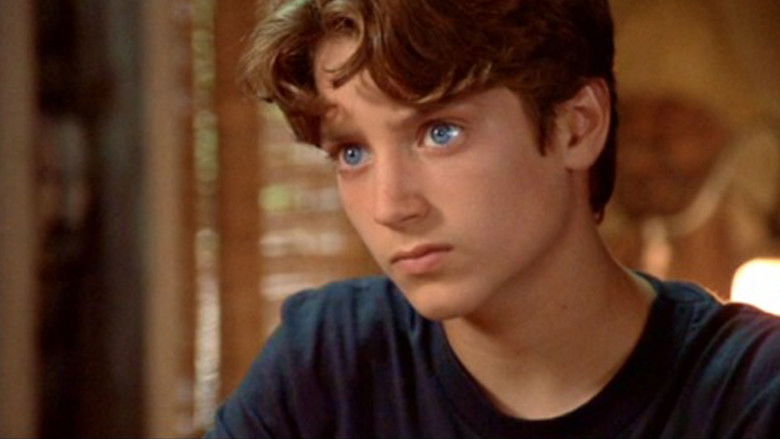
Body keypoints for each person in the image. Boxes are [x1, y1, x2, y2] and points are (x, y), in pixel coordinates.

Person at [207, 0, 780, 437]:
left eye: (440, 132)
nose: (390, 207)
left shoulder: (751, 392)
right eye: (352, 152)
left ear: (576, 126)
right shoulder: (330, 360)